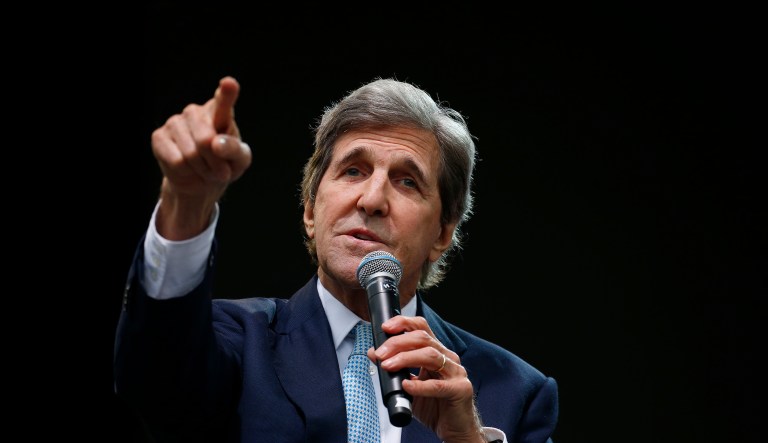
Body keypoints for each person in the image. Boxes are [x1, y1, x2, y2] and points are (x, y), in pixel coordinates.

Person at [114, 75, 559, 443]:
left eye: (407, 181)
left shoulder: (515, 392)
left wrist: (466, 440)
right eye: (353, 170)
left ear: (443, 232)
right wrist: (186, 203)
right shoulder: (234, 343)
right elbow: (154, 379)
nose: (372, 199)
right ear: (311, 210)